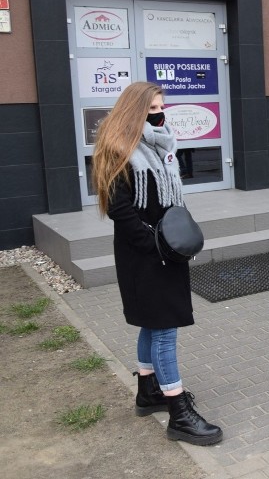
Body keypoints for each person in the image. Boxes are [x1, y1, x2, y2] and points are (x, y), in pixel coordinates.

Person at [91, 82, 222, 446]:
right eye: (151, 110)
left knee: (153, 325)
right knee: (164, 329)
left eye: (162, 107)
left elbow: (169, 202)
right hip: (145, 255)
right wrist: (155, 246)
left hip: (166, 251)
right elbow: (120, 210)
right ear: (134, 112)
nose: (159, 114)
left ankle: (148, 392)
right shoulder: (120, 149)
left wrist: (177, 239)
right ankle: (178, 413)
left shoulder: (161, 146)